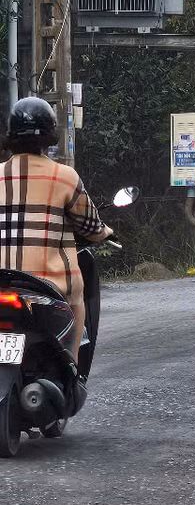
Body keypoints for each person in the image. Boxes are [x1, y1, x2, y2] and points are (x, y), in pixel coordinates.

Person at [0, 97, 112, 361]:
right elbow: (92, 228)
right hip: (48, 288)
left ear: (10, 135)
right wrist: (106, 233)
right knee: (76, 298)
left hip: (2, 281)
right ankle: (70, 366)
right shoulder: (64, 176)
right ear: (50, 135)